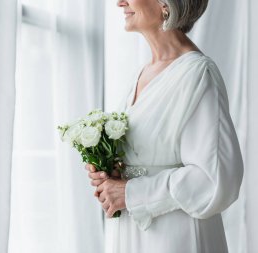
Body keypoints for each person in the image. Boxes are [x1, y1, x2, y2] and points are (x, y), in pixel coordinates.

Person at [85, 0, 244, 252]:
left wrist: (132, 192)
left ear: (165, 4)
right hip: (132, 232)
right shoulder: (141, 73)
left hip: (174, 238)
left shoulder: (197, 74)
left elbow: (216, 179)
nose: (119, 2)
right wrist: (112, 171)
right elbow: (148, 155)